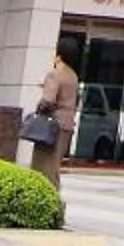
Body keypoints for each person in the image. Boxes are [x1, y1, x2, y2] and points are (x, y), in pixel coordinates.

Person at [27, 43, 80, 189]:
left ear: (59, 57)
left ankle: (43, 198)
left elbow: (48, 101)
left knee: (43, 165)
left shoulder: (54, 74)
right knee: (54, 164)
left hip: (51, 126)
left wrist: (41, 104)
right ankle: (54, 195)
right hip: (67, 125)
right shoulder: (73, 76)